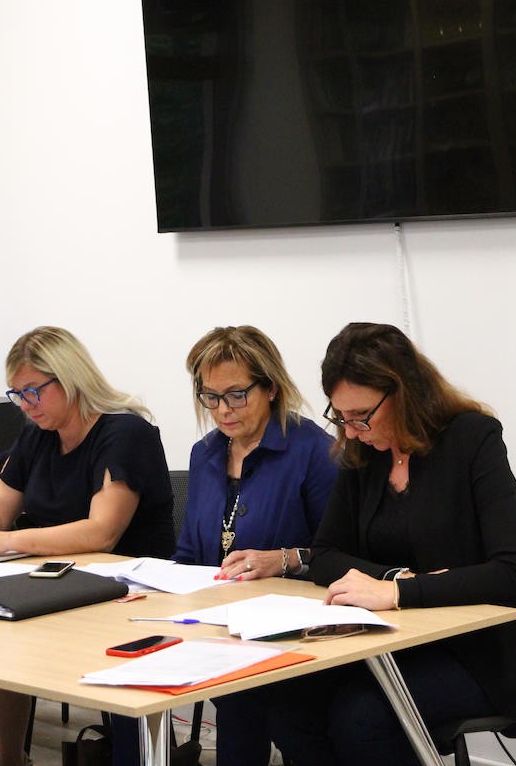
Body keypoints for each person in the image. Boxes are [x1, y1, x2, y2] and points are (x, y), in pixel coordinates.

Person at [264, 322, 516, 765]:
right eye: (341, 416)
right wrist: (396, 579)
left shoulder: (473, 439)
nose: (351, 431)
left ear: (403, 393)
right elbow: (325, 555)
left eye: (361, 415)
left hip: (477, 651)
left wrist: (398, 592)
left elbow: (509, 575)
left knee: (361, 718)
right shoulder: (363, 454)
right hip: (388, 642)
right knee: (287, 702)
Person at [0, 326, 174, 766]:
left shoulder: (125, 433)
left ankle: (10, 758)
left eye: (33, 391)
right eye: (17, 394)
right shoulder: (39, 434)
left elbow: (101, 533)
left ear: (70, 379)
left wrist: (7, 541)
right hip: (53, 578)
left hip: (124, 591)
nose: (25, 405)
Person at [174, 325, 336, 766]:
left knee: (251, 699)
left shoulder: (316, 453)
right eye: (210, 397)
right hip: (221, 625)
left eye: (236, 395)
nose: (223, 410)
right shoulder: (205, 454)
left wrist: (282, 560)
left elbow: (343, 556)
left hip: (296, 634)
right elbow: (189, 553)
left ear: (271, 388)